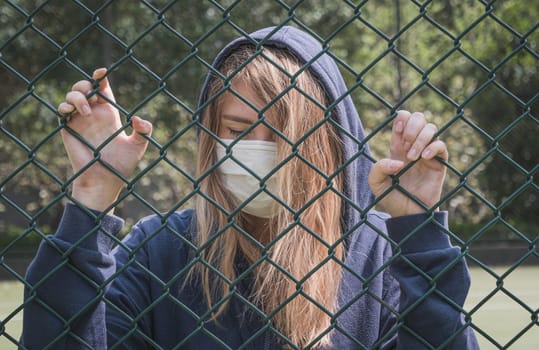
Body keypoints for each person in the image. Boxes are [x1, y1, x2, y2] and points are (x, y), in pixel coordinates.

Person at [21, 26, 478, 349]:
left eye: (280, 133)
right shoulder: (161, 249)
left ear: (324, 145)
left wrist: (416, 230)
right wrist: (91, 198)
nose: (256, 150)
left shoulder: (379, 252)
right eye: (237, 129)